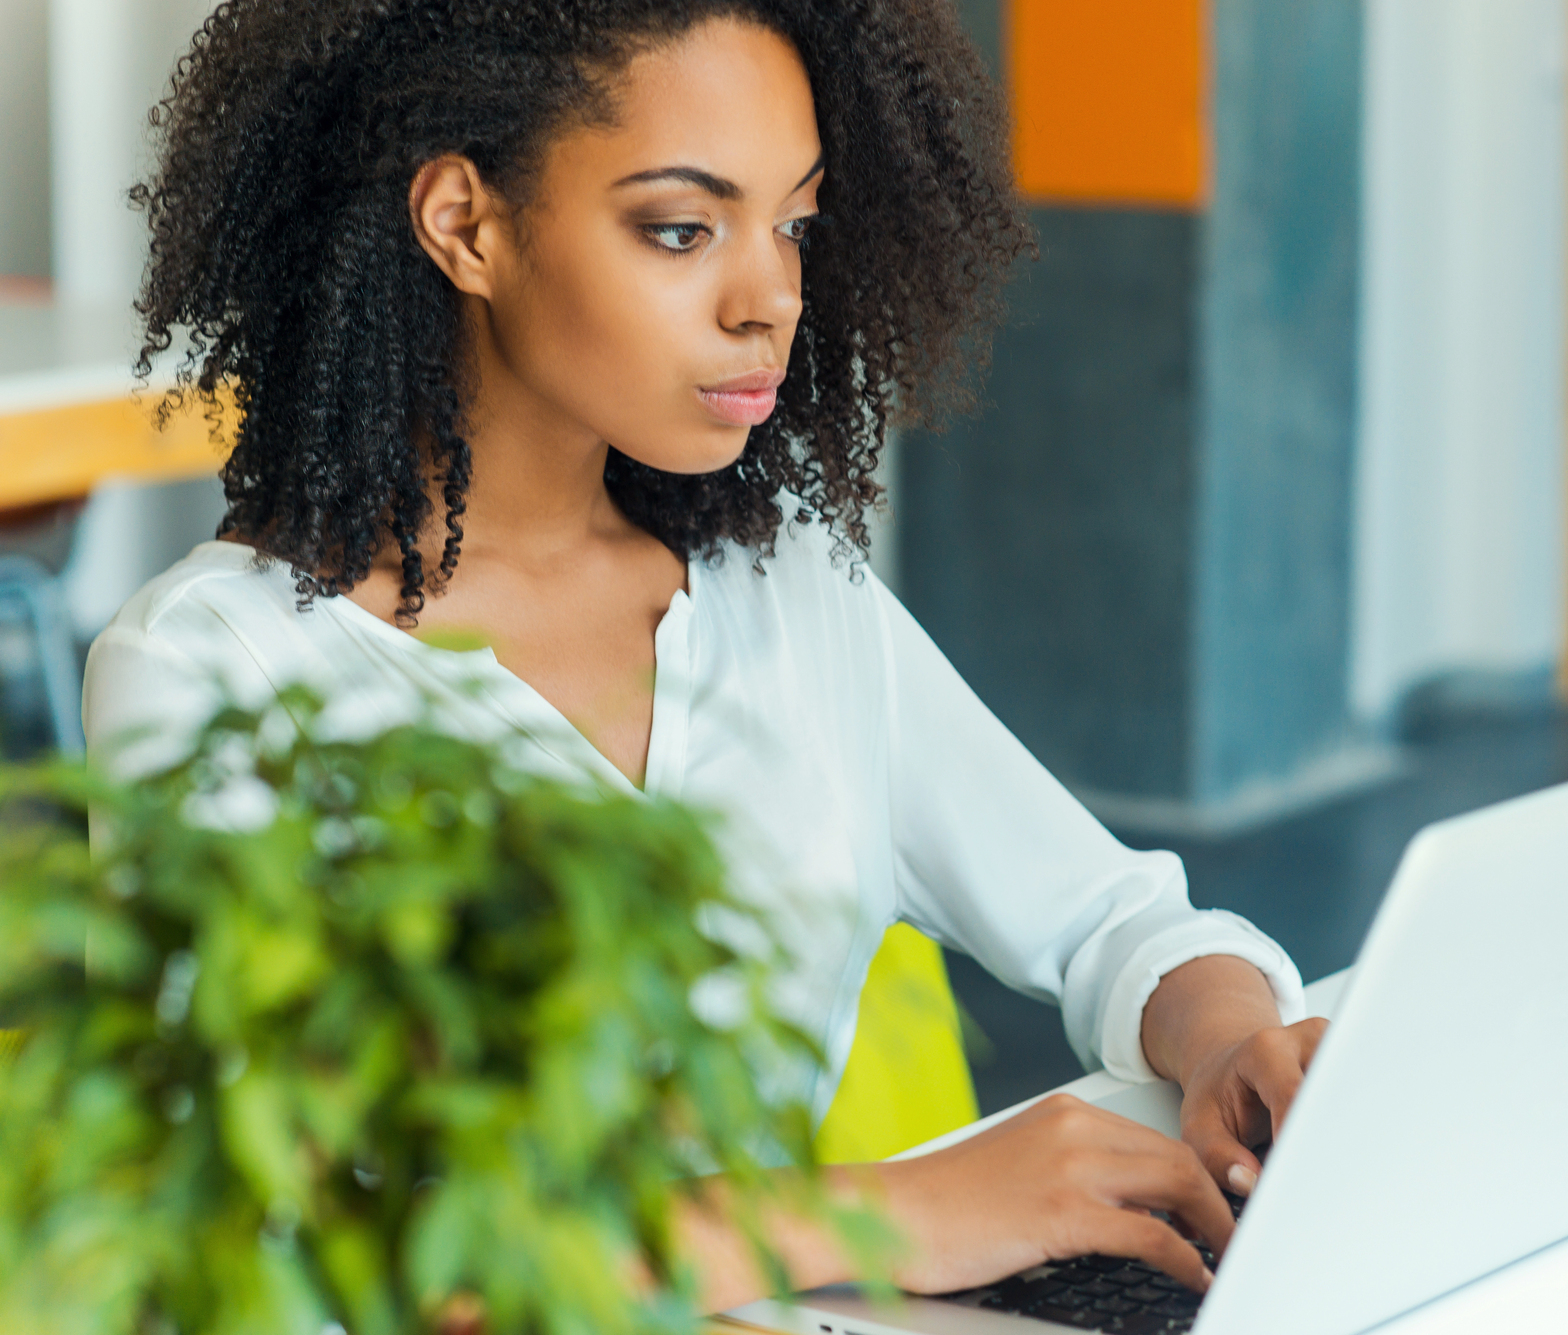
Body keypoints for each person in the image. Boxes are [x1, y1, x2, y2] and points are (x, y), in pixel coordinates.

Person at [83, 0, 1326, 1311]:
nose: (770, 298)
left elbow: (1109, 919)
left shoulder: (785, 586)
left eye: (793, 225)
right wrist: (891, 1214)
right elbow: (289, 1250)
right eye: (681, 229)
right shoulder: (211, 670)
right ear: (466, 223)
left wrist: (1230, 1037)